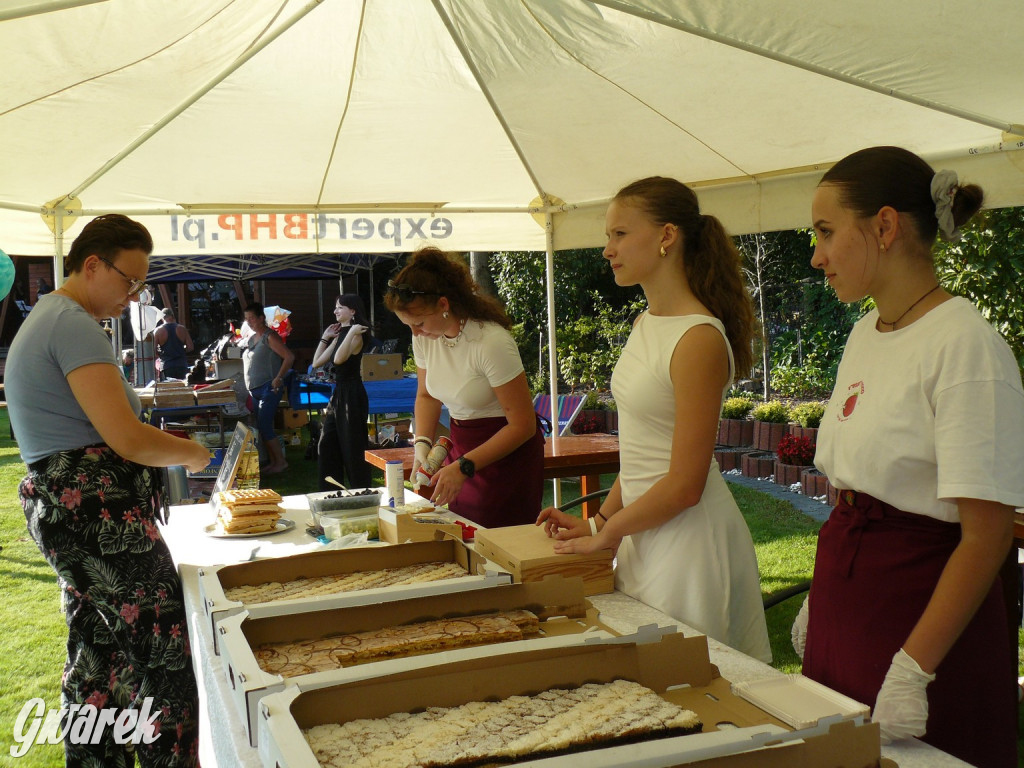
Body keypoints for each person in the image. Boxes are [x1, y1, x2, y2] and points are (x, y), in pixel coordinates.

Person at [792, 146, 1024, 767]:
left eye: (826, 232)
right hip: (851, 599)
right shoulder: (866, 332)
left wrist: (914, 668)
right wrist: (823, 597)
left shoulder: (966, 346)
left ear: (886, 226)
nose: (816, 255)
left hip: (922, 620)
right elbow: (855, 485)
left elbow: (987, 534)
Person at [536, 176, 771, 663]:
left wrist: (610, 532)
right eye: (608, 236)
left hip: (689, 546)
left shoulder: (698, 338)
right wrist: (598, 520)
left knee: (688, 685)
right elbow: (645, 451)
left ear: (667, 236)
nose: (607, 249)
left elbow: (685, 484)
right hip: (645, 533)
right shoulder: (647, 322)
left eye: (619, 234)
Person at [4, 214, 210, 767]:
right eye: (128, 280)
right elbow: (125, 438)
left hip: (74, 506)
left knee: (101, 655)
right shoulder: (69, 323)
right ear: (91, 265)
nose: (134, 295)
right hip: (94, 510)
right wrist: (195, 453)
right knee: (162, 650)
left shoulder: (55, 318)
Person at [384, 247, 544, 527]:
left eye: (419, 323)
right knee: (461, 532)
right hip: (462, 448)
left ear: (444, 305)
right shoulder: (424, 337)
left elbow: (522, 425)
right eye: (408, 325)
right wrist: (422, 444)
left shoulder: (491, 342)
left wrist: (465, 466)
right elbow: (426, 396)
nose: (416, 333)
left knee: (498, 544)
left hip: (506, 453)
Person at [312, 294, 374, 490]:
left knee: (352, 446)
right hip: (339, 393)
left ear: (352, 311)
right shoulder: (344, 333)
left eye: (340, 307)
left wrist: (350, 333)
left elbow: (339, 359)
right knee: (326, 443)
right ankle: (331, 492)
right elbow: (317, 362)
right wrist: (325, 337)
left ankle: (362, 490)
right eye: (335, 307)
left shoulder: (357, 334)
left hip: (352, 393)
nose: (335, 311)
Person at [240, 301, 295, 474]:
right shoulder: (251, 339)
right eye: (247, 319)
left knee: (264, 425)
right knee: (263, 426)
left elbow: (289, 357)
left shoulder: (269, 337)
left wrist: (278, 377)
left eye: (252, 318)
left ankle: (281, 462)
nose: (249, 322)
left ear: (261, 318)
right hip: (255, 390)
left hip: (268, 389)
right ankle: (273, 462)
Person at [153, 307, 194, 380]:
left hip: (167, 366)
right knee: (182, 389)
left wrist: (162, 354)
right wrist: (180, 350)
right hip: (181, 365)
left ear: (162, 318)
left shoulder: (158, 331)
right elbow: (190, 347)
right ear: (172, 316)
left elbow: (153, 351)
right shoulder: (182, 329)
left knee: (168, 389)